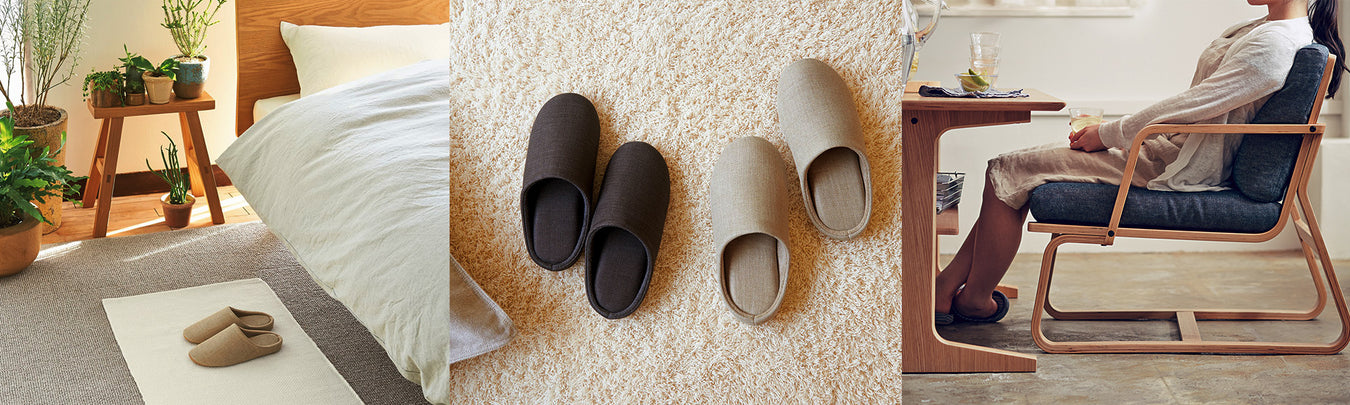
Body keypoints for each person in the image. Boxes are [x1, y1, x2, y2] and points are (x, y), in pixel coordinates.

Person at [935, 0, 1347, 324]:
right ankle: (947, 288)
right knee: (1011, 170)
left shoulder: (1272, 45)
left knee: (1006, 171)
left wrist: (1110, 134)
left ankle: (972, 301)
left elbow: (1194, 104)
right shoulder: (1265, 30)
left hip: (1170, 163)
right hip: (1166, 147)